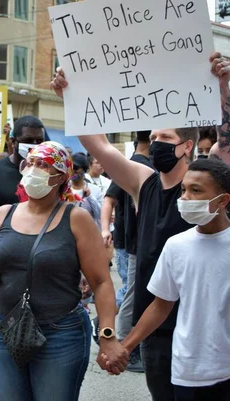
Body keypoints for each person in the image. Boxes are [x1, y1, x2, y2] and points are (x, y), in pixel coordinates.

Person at [51, 52, 230, 399]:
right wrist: (71, 97)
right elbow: (99, 145)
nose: (156, 144)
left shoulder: (208, 180)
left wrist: (223, 87)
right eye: (154, 137)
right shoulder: (143, 182)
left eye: (164, 138)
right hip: (156, 322)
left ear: (187, 146)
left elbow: (226, 141)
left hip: (206, 322)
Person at [0, 141, 126, 401]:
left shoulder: (76, 218)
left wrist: (107, 336)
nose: (33, 169)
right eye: (31, 163)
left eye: (43, 165)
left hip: (61, 334)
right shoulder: (3, 214)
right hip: (4, 330)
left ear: (60, 177)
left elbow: (102, 282)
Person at [118, 159, 230, 401]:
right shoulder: (176, 245)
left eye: (196, 190)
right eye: (184, 189)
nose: (186, 197)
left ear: (222, 200)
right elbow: (160, 306)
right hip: (186, 369)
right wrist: (125, 346)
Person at [99, 131, 153, 373]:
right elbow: (109, 199)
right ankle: (122, 340)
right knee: (132, 290)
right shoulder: (133, 165)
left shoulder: (149, 165)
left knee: (136, 290)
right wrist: (104, 229)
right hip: (132, 242)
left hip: (139, 241)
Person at [0, 115, 47, 227]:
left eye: (39, 141)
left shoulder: (48, 173)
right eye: (28, 140)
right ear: (13, 142)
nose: (34, 145)